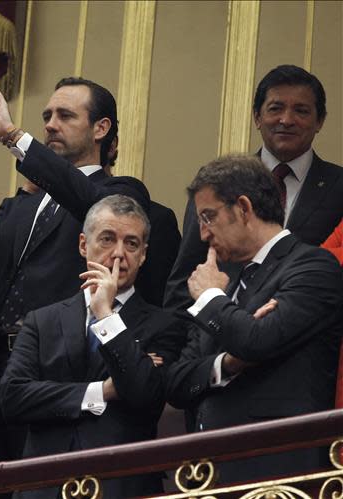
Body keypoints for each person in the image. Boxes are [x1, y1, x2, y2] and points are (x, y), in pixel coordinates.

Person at [0, 77, 150, 479]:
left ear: (101, 128)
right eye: (46, 117)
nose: (50, 125)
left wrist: (14, 138)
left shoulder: (120, 191)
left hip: (58, 375)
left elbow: (94, 205)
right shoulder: (23, 203)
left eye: (65, 115)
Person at [165, 155, 343, 483]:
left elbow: (256, 341)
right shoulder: (224, 283)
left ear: (244, 208)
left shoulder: (314, 267)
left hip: (277, 471)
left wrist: (209, 300)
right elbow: (176, 382)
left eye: (209, 217)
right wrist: (228, 362)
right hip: (205, 474)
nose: (202, 234)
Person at [0, 195, 185, 498]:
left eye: (132, 244)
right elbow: (13, 397)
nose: (118, 254)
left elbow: (143, 395)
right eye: (108, 239)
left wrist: (105, 314)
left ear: (144, 255)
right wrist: (103, 391)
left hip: (121, 484)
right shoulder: (42, 320)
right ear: (84, 245)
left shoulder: (164, 324)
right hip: (44, 484)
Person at [165, 64, 343, 312]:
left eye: (301, 111)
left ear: (319, 121)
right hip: (218, 333)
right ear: (257, 117)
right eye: (275, 108)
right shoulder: (219, 182)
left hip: (306, 335)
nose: (287, 120)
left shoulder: (338, 187)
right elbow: (187, 273)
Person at [101, 135, 181, 306]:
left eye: (131, 243)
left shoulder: (157, 220)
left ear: (111, 146)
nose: (52, 127)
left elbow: (159, 299)